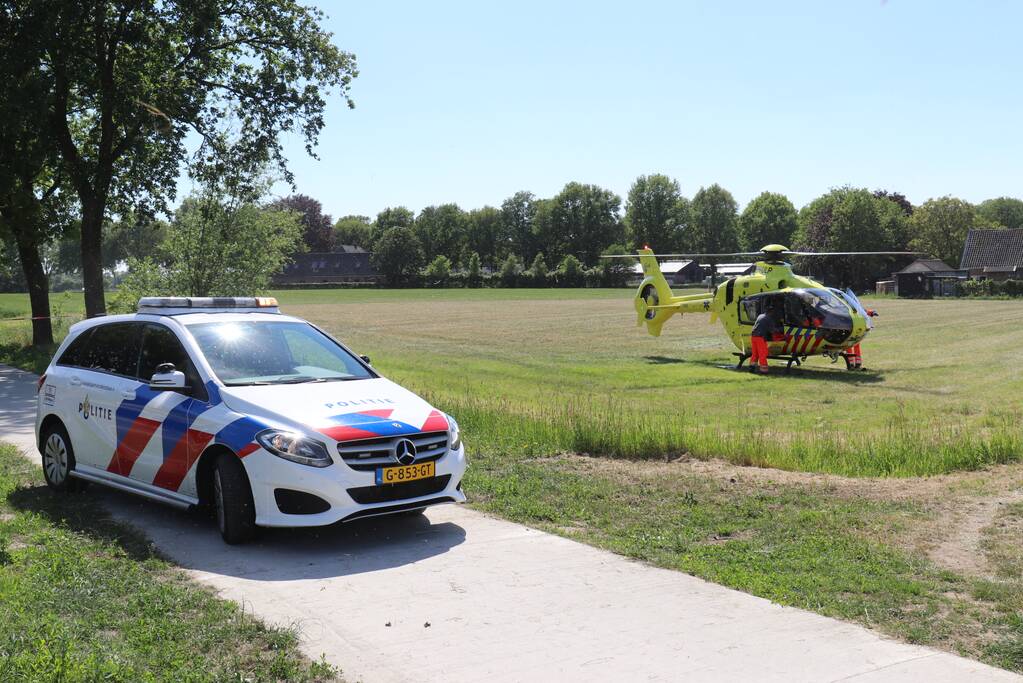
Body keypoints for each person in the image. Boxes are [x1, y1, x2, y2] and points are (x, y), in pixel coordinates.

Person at [749, 305, 782, 375]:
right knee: (762, 354)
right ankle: (763, 371)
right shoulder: (768, 318)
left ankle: (751, 367)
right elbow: (772, 331)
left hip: (753, 336)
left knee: (755, 353)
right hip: (760, 338)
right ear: (771, 312)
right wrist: (779, 330)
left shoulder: (760, 316)